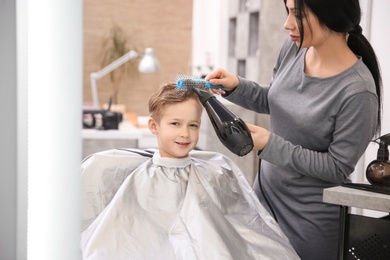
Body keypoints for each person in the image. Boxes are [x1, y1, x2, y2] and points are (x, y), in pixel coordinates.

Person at [205, 0, 382, 259]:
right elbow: (275, 100)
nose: (287, 24)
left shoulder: (358, 92)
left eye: (297, 14)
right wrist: (236, 86)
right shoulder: (294, 47)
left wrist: (271, 145)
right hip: (263, 203)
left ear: (331, 13)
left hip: (309, 224)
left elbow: (337, 168)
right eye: (287, 11)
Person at [80, 83, 300, 259]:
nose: (185, 133)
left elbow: (239, 226)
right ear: (154, 127)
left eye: (192, 125)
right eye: (175, 124)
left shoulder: (216, 168)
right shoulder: (139, 178)